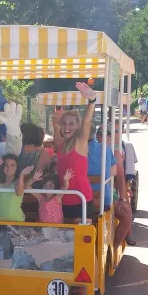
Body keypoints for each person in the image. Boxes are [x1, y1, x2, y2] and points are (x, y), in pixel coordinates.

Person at [52, 81, 96, 224]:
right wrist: (55, 123)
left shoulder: (80, 141)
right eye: (64, 123)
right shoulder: (62, 143)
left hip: (80, 198)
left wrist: (92, 101)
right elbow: (57, 136)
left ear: (77, 126)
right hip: (63, 198)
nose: (66, 127)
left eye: (71, 124)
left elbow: (86, 121)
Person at [96, 128, 136, 246]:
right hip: (102, 193)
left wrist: (122, 199)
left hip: (105, 192)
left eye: (109, 134)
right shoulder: (111, 152)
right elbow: (119, 178)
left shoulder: (114, 153)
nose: (106, 137)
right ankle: (116, 245)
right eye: (102, 133)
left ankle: (117, 245)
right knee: (126, 216)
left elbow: (120, 178)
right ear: (97, 136)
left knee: (126, 212)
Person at [0, 155, 34, 222]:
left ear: (17, 167)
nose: (9, 168)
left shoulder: (17, 181)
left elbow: (19, 193)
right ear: (2, 167)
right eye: (6, 165)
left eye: (12, 165)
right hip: (0, 221)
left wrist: (21, 175)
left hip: (17, 221)